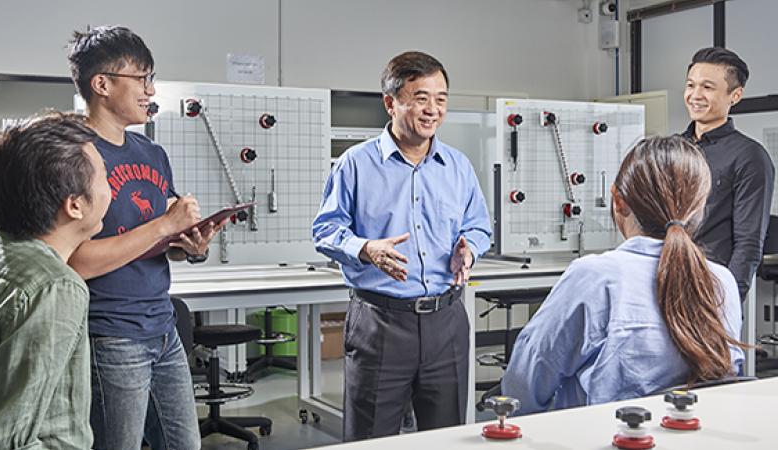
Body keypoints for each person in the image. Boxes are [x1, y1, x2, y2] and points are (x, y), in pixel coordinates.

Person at [312, 51, 491, 440]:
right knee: (370, 439)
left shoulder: (458, 166)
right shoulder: (355, 164)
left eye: (441, 99)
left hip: (446, 321)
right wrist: (366, 249)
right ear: (390, 103)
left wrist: (470, 249)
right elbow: (325, 230)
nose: (433, 110)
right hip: (381, 323)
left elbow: (479, 225)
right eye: (420, 98)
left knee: (447, 438)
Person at [501, 135, 745, 415]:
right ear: (699, 209)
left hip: (603, 434)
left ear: (618, 201)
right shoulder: (721, 281)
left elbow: (523, 388)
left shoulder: (594, 277)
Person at [66, 26, 222, 450]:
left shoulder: (152, 153)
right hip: (110, 334)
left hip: (163, 327)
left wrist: (190, 245)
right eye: (141, 79)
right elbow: (74, 261)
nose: (151, 90)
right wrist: (165, 226)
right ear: (102, 84)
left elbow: (157, 241)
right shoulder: (73, 156)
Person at [0, 111, 111, 449]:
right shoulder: (55, 288)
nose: (112, 191)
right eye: (105, 177)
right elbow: (7, 440)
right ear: (75, 206)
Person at [682, 47, 774, 301]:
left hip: (708, 293)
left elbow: (748, 244)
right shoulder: (672, 149)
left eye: (707, 87)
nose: (695, 95)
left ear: (735, 95)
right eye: (691, 85)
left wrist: (726, 304)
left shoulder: (750, 157)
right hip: (662, 285)